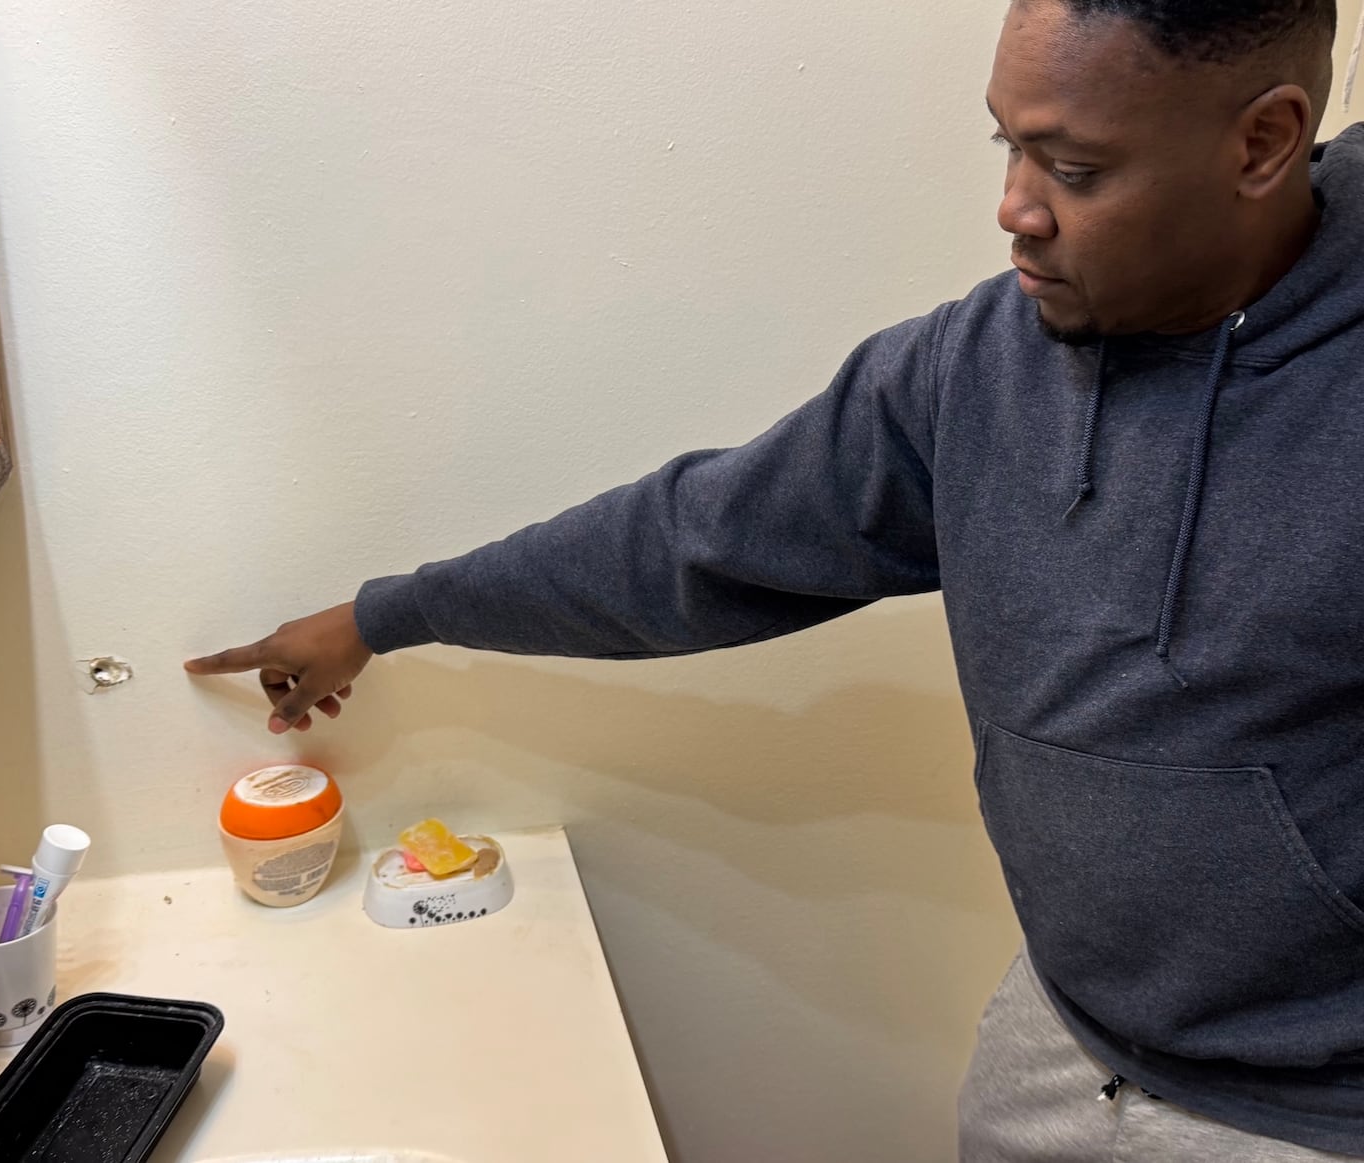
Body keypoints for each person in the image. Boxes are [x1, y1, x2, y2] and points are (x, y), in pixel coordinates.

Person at [186, 0, 1364, 1157]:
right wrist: (385, 613)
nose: (1014, 209)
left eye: (1074, 167)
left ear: (1259, 142)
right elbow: (688, 542)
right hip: (1063, 1040)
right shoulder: (972, 369)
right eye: (1008, 144)